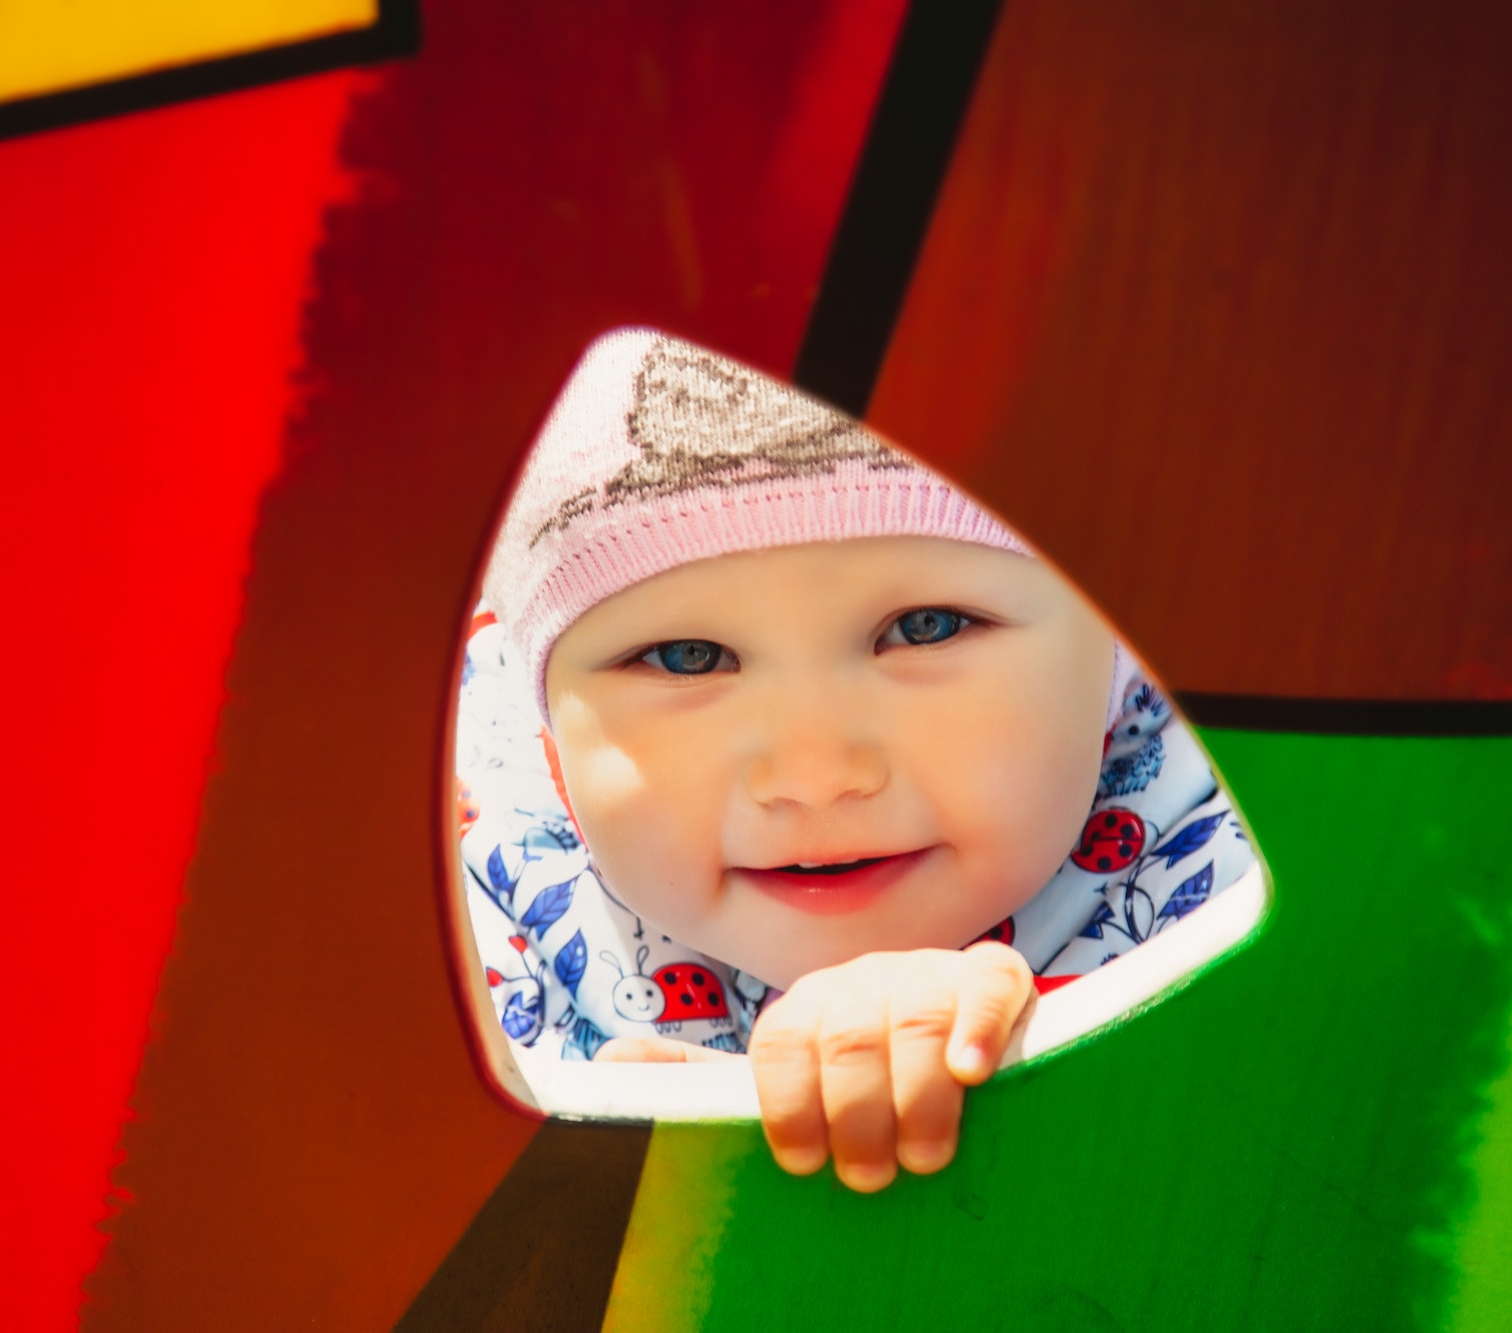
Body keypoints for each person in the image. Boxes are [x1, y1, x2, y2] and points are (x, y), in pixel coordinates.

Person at [458, 329, 1252, 1192]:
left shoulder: (1251, 851)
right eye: (687, 656)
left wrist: (998, 1065)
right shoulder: (473, 935)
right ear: (552, 742)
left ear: (1113, 652)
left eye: (926, 627)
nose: (816, 773)